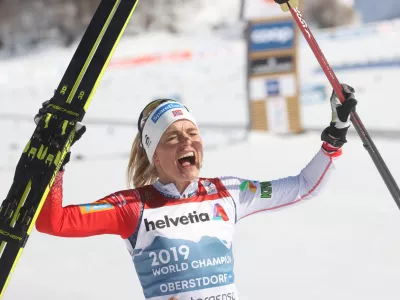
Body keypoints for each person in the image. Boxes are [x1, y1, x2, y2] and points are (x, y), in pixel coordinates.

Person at [36, 83, 357, 299]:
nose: (187, 142)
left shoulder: (230, 193)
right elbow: (55, 222)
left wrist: (336, 136)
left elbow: (303, 186)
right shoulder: (133, 207)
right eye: (173, 137)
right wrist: (55, 163)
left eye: (192, 133)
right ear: (155, 156)